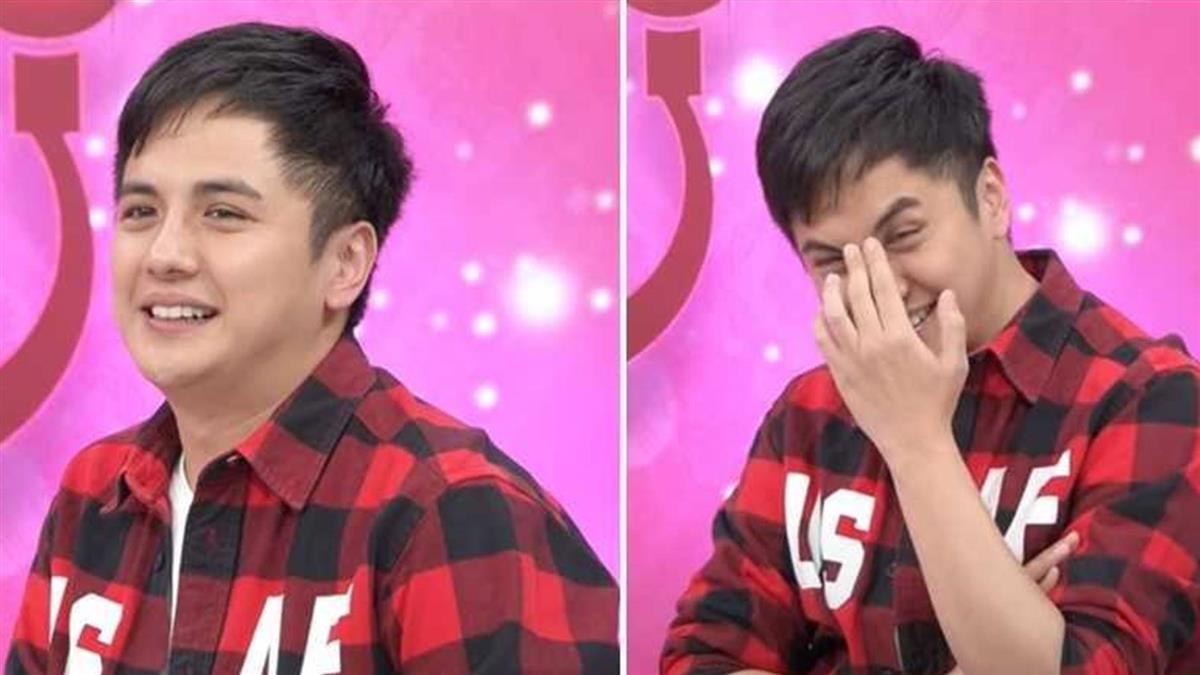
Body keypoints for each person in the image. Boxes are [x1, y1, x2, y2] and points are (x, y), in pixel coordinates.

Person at [6, 22, 617, 674]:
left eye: (223, 213)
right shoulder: (95, 494)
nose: (165, 254)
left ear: (345, 262)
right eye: (141, 212)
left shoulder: (454, 512)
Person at [662, 26, 1199, 675]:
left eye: (904, 235)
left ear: (991, 197)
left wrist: (915, 440)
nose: (879, 284)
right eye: (832, 262)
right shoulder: (808, 414)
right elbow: (702, 655)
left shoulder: (1150, 399)